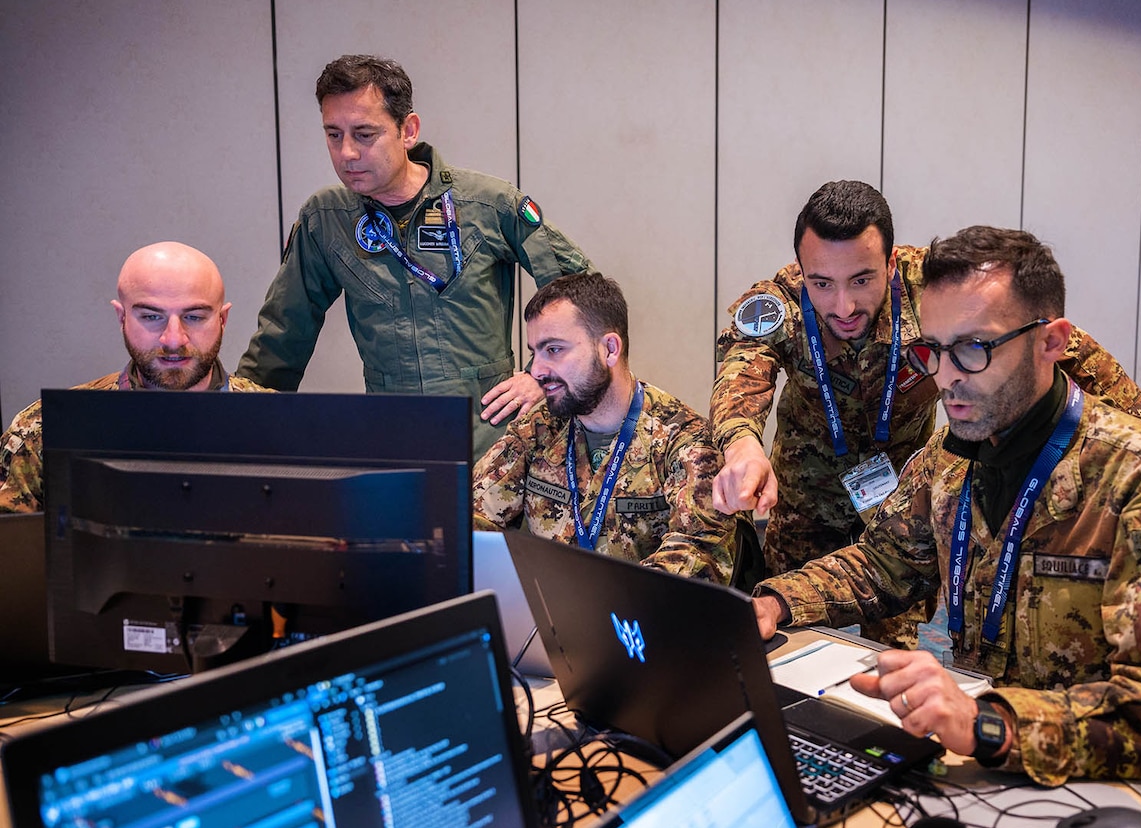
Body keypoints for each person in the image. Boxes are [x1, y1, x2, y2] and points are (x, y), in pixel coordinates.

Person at [751, 226, 1141, 804]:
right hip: (987, 775)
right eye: (932, 350)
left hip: (1113, 801)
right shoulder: (953, 458)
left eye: (974, 348)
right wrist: (773, 602)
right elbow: (884, 563)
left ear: (1051, 343)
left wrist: (992, 724)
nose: (947, 377)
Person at [711, 180, 1141, 648]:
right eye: (822, 284)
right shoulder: (779, 301)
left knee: (892, 651)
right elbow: (743, 367)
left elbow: (1055, 343)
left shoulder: (938, 292)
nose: (843, 305)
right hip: (808, 505)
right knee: (788, 639)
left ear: (891, 261)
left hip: (912, 498)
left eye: (862, 280)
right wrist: (742, 444)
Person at [236, 54, 593, 460]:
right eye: (333, 135)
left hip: (494, 441)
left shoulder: (487, 204)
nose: (347, 153)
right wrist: (237, 424)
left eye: (364, 134)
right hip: (393, 438)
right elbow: (282, 337)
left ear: (407, 130)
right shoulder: (327, 219)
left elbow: (582, 293)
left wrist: (540, 375)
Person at [473, 271, 738, 584]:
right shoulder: (538, 428)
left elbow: (697, 556)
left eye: (554, 350)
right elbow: (472, 520)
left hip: (637, 624)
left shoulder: (683, 441)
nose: (537, 370)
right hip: (547, 621)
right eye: (535, 352)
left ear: (610, 349)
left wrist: (603, 607)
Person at [0, 242, 271, 513]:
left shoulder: (275, 425)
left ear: (222, 319)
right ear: (122, 317)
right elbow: (15, 550)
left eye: (194, 316)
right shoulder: (46, 431)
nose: (174, 339)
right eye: (152, 316)